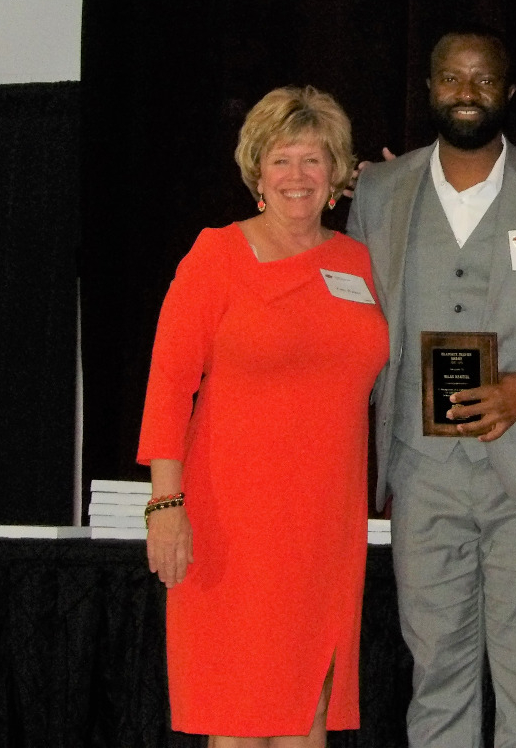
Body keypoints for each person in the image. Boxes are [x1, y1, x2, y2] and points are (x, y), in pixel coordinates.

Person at [347, 27, 516, 748]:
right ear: (429, 89)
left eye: (482, 79)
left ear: (508, 93)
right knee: (436, 676)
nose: (465, 91)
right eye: (451, 78)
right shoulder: (378, 191)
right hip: (422, 473)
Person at [138, 86, 388, 748]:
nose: (297, 177)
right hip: (234, 525)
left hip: (328, 527)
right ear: (257, 171)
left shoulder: (359, 262)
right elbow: (167, 386)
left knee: (310, 711)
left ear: (337, 173)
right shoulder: (217, 255)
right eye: (282, 159)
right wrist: (165, 507)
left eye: (314, 159)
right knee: (241, 718)